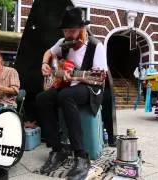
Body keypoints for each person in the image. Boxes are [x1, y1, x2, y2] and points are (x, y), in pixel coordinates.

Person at [36, 7, 107, 180]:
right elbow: (49, 53)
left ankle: (81, 156)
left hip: (90, 88)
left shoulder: (96, 46)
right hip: (68, 86)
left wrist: (76, 76)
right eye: (65, 30)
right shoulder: (63, 42)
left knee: (65, 95)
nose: (68, 34)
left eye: (72, 30)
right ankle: (57, 149)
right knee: (42, 98)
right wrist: (45, 63)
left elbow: (100, 78)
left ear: (82, 29)